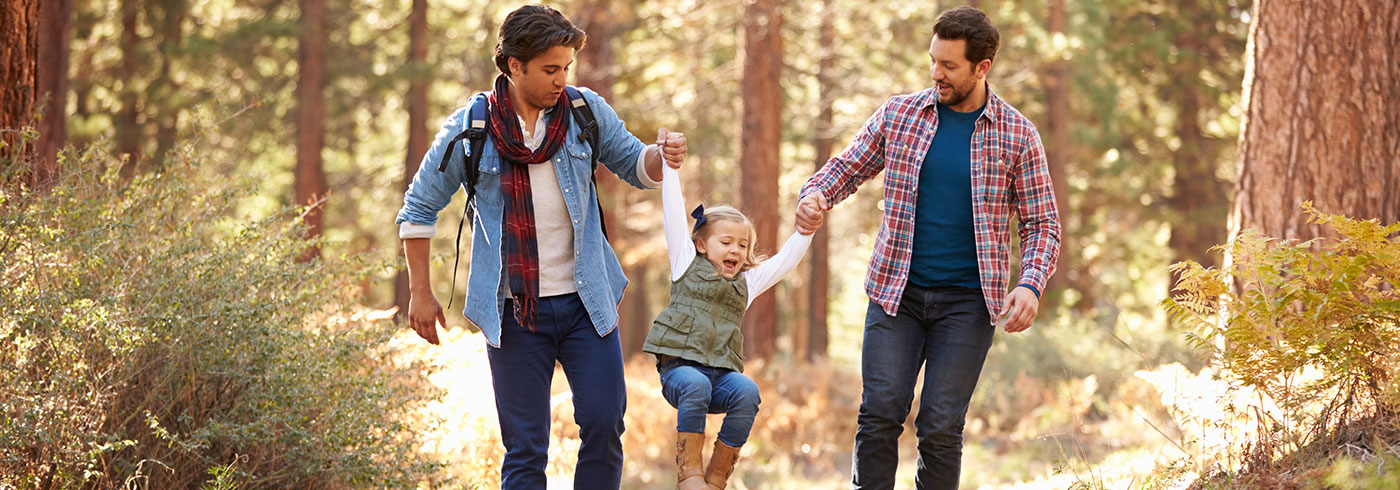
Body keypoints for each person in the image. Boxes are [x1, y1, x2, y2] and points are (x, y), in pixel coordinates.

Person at [395, 5, 687, 488]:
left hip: (585, 304)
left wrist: (662, 155)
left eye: (566, 67)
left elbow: (637, 165)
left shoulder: (583, 111)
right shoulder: (471, 128)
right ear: (514, 65)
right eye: (551, 69)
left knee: (603, 424)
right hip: (513, 313)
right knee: (526, 449)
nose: (561, 79)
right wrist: (419, 293)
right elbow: (418, 209)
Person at [794, 6, 1062, 489]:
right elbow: (847, 167)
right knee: (879, 414)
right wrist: (815, 195)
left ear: (982, 68)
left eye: (949, 65)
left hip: (967, 304)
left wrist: (1030, 284)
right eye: (933, 60)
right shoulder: (900, 115)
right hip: (896, 295)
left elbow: (1042, 222)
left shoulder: (1017, 133)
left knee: (939, 428)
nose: (935, 73)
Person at [643, 164, 824, 489]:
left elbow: (784, 263)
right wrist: (670, 169)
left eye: (743, 245)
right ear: (701, 244)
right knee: (695, 384)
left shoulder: (746, 284)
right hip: (680, 374)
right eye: (726, 242)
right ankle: (689, 474)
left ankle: (716, 478)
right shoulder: (684, 262)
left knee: (747, 391)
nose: (736, 251)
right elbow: (672, 211)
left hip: (720, 378)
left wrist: (805, 233)